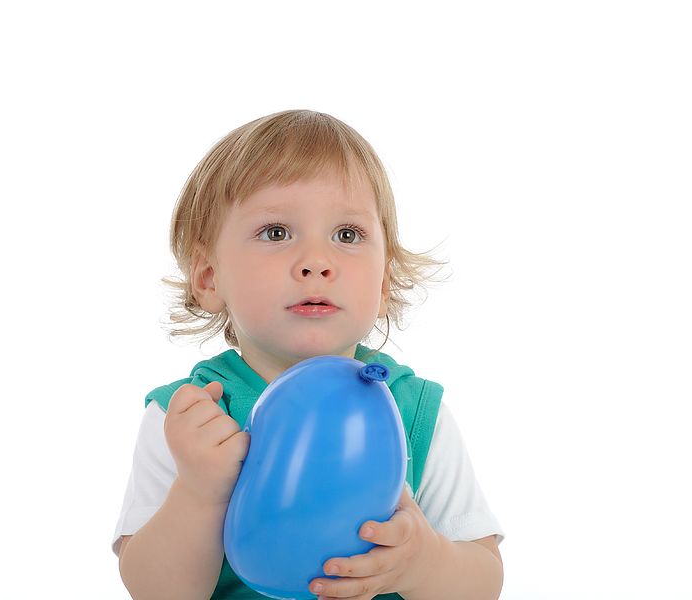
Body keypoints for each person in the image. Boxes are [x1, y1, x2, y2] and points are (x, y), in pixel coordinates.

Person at [112, 109, 505, 600]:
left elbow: (484, 581)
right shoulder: (189, 416)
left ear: (383, 283)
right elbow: (154, 591)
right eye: (276, 232)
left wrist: (424, 563)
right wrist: (198, 492)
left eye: (347, 235)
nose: (317, 263)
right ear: (209, 277)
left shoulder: (414, 413)